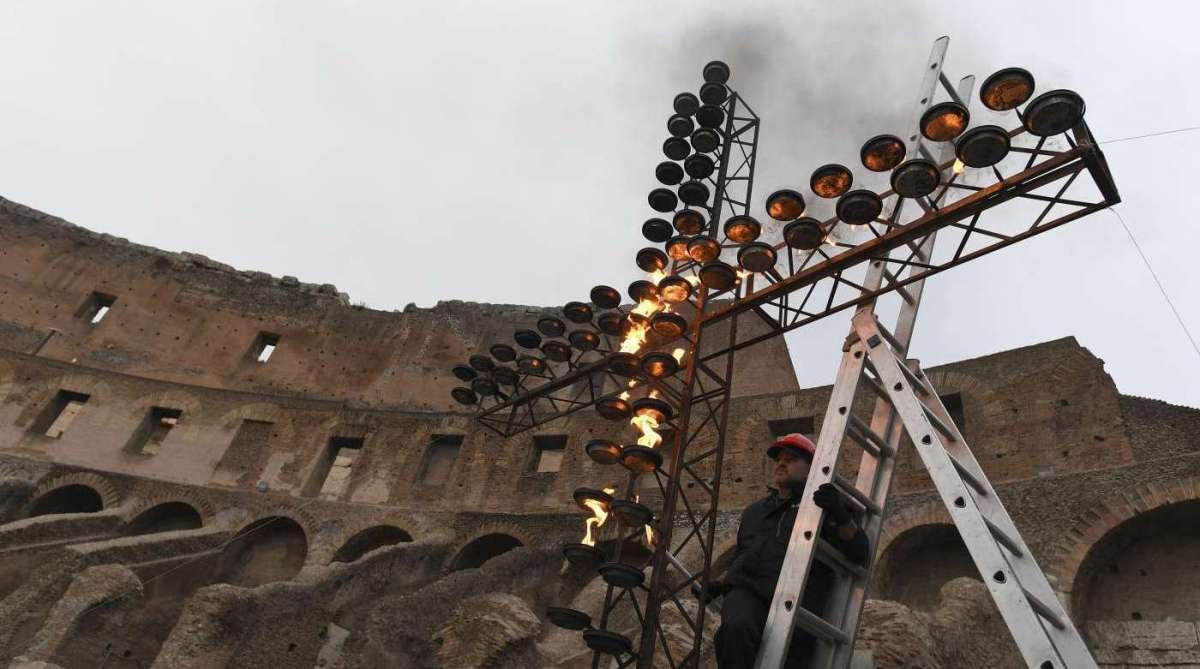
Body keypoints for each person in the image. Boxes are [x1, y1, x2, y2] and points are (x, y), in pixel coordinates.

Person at [709, 433, 870, 668]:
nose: (781, 463)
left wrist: (840, 513)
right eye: (778, 460)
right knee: (735, 628)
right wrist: (720, 583)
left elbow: (859, 552)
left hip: (798, 606)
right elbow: (742, 556)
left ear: (811, 468)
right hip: (750, 595)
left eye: (792, 458)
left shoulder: (823, 506)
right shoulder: (754, 512)